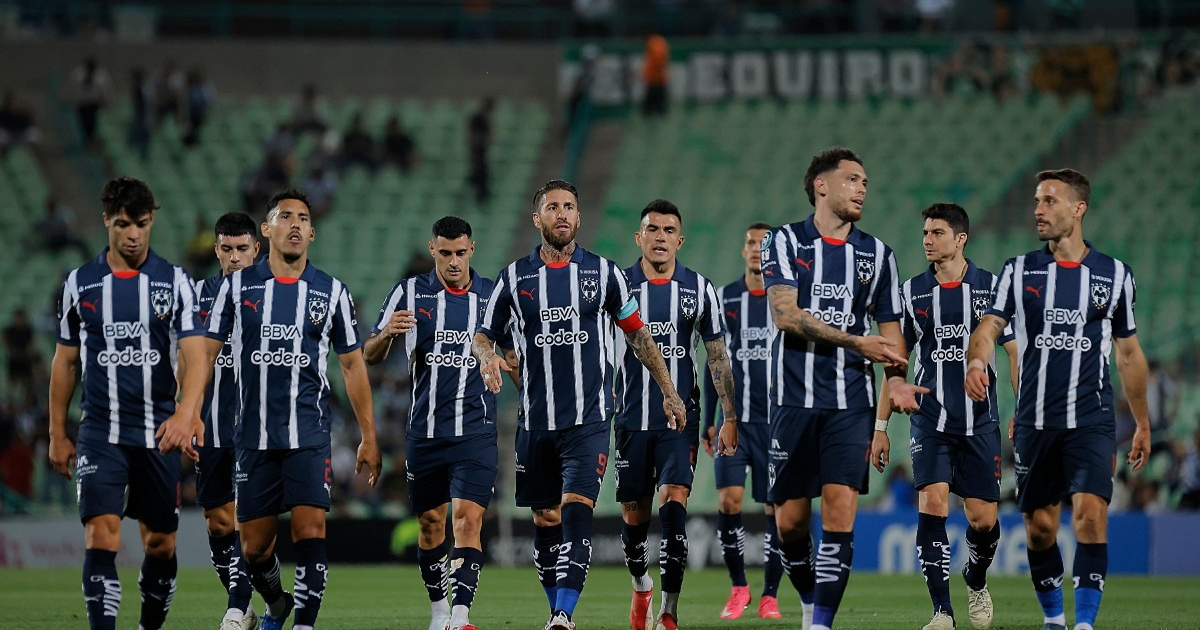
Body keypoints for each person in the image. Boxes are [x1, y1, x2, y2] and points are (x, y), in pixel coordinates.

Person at [472, 179, 687, 630]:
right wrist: (487, 356)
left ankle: (563, 616)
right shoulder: (514, 277)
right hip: (535, 421)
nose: (563, 214)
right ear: (539, 219)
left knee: (575, 508)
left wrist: (668, 388)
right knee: (545, 518)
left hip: (589, 420)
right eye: (553, 207)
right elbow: (483, 334)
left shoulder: (603, 273)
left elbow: (638, 334)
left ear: (579, 216)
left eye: (570, 206)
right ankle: (557, 609)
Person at [189, 189, 383, 630]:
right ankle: (277, 605)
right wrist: (189, 413)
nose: (294, 223)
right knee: (255, 550)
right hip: (252, 438)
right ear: (267, 229)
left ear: (312, 233)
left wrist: (368, 436)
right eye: (284, 216)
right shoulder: (236, 289)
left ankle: (304, 625)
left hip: (308, 435)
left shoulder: (331, 292)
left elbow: (352, 366)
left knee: (310, 531)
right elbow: (205, 355)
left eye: (302, 218)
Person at [966, 169, 1151, 630]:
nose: (1038, 210)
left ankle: (1083, 624)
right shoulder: (1019, 270)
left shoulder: (1114, 275)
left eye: (1049, 201)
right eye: (1036, 201)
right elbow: (990, 325)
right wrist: (976, 360)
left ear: (1078, 208)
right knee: (1041, 528)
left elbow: (1128, 354)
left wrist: (1143, 422)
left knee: (1090, 519)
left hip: (1092, 417)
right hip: (1034, 419)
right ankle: (1054, 618)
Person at [759, 147, 911, 630]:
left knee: (841, 509)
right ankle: (809, 602)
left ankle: (819, 623)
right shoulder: (784, 242)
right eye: (852, 179)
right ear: (821, 185)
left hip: (852, 404)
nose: (862, 188)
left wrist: (899, 385)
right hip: (792, 399)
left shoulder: (878, 255)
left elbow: (890, 337)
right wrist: (854, 341)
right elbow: (784, 316)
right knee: (790, 523)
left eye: (865, 182)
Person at [47, 176, 207, 630]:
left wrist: (185, 413)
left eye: (141, 224)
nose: (133, 234)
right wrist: (57, 433)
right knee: (101, 534)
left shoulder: (174, 282)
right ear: (107, 222)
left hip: (158, 431)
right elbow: (65, 363)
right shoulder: (80, 284)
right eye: (123, 224)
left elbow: (195, 358)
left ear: (152, 221)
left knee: (161, 544)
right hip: (100, 430)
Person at [871, 203, 1017, 630]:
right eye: (924, 233)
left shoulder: (992, 288)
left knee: (983, 520)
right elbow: (895, 363)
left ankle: (976, 577)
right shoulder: (911, 292)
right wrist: (880, 427)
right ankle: (942, 612)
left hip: (980, 423)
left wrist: (1022, 408)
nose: (927, 240)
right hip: (929, 421)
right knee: (932, 502)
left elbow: (1013, 352)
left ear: (960, 239)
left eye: (936, 232)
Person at [364, 216, 507, 630]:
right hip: (424, 433)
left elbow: (514, 355)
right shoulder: (408, 293)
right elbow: (368, 355)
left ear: (472, 249)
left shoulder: (491, 296)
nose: (454, 261)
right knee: (430, 525)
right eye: (445, 253)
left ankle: (461, 617)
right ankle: (439, 610)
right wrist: (388, 332)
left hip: (476, 431)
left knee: (467, 519)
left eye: (461, 253)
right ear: (433, 251)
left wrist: (506, 363)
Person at [615, 199, 739, 630]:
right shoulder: (620, 286)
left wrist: (729, 416)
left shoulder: (699, 289)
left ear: (680, 240)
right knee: (634, 518)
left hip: (678, 420)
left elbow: (717, 355)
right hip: (630, 416)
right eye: (653, 229)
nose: (661, 237)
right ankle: (640, 586)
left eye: (669, 230)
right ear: (639, 237)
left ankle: (669, 609)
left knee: (673, 504)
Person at [701, 222, 786, 620]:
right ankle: (739, 588)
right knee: (728, 501)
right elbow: (713, 361)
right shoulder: (725, 298)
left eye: (764, 245)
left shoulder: (785, 299)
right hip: (733, 421)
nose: (756, 249)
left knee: (775, 510)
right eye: (750, 242)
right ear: (742, 250)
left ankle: (770, 594)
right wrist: (709, 418)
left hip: (776, 423)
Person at [194, 212, 261, 630]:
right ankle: (255, 604)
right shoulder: (199, 294)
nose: (234, 257)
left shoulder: (275, 294)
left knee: (247, 518)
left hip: (259, 428)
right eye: (227, 249)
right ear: (217, 250)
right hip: (211, 425)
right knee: (217, 520)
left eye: (242, 249)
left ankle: (237, 606)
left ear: (257, 249)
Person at [466, 98, 493, 203]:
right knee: (479, 167)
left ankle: (481, 192)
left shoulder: (481, 120)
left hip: (479, 151)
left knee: (480, 168)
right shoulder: (478, 119)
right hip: (478, 150)